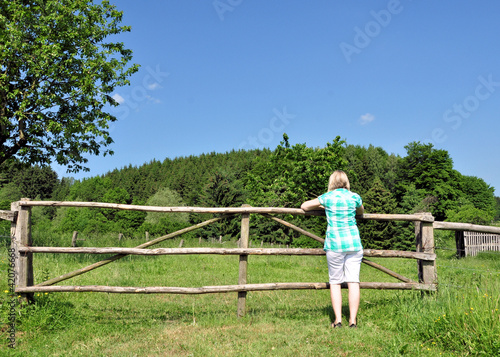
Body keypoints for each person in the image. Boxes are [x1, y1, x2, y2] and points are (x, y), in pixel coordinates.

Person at [301, 170, 364, 328]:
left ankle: (338, 320)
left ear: (332, 182)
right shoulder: (354, 196)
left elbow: (305, 206)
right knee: (353, 282)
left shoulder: (327, 197)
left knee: (335, 282)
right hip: (354, 244)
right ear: (346, 182)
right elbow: (361, 211)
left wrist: (324, 207)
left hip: (335, 244)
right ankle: (353, 321)